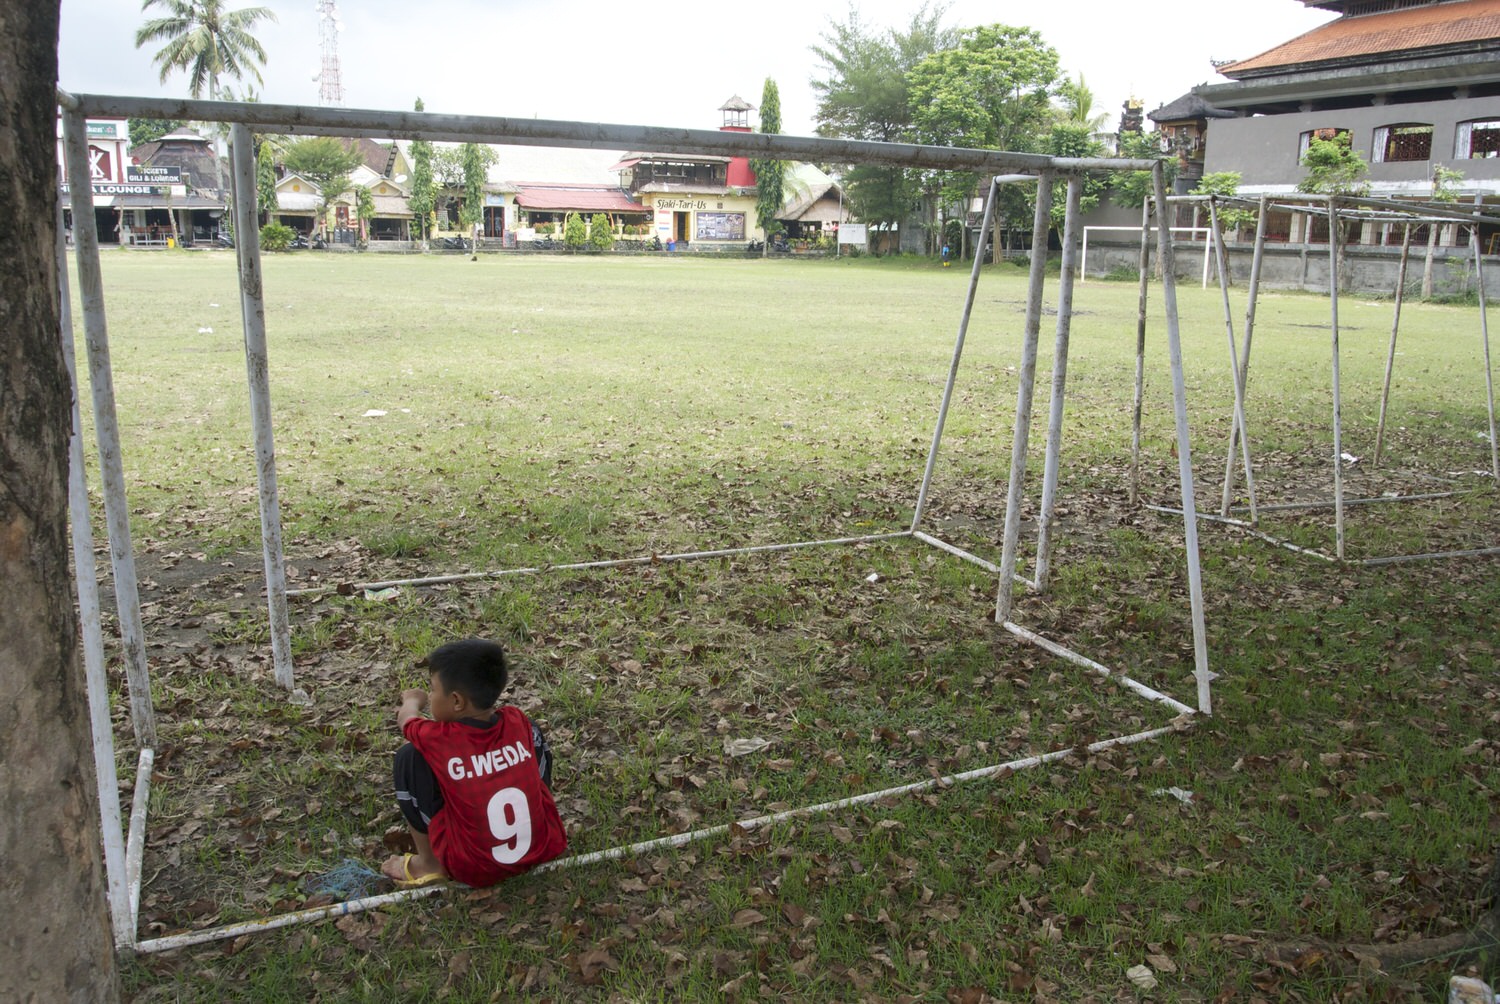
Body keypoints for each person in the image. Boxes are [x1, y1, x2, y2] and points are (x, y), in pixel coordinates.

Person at [381, 639, 567, 888]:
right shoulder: (516, 719)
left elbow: (406, 719)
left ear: (456, 701)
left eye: (433, 689)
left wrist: (412, 700)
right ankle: (534, 823)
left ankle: (429, 862)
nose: (431, 693)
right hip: (543, 847)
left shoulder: (437, 738)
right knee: (532, 732)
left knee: (409, 758)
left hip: (471, 868)